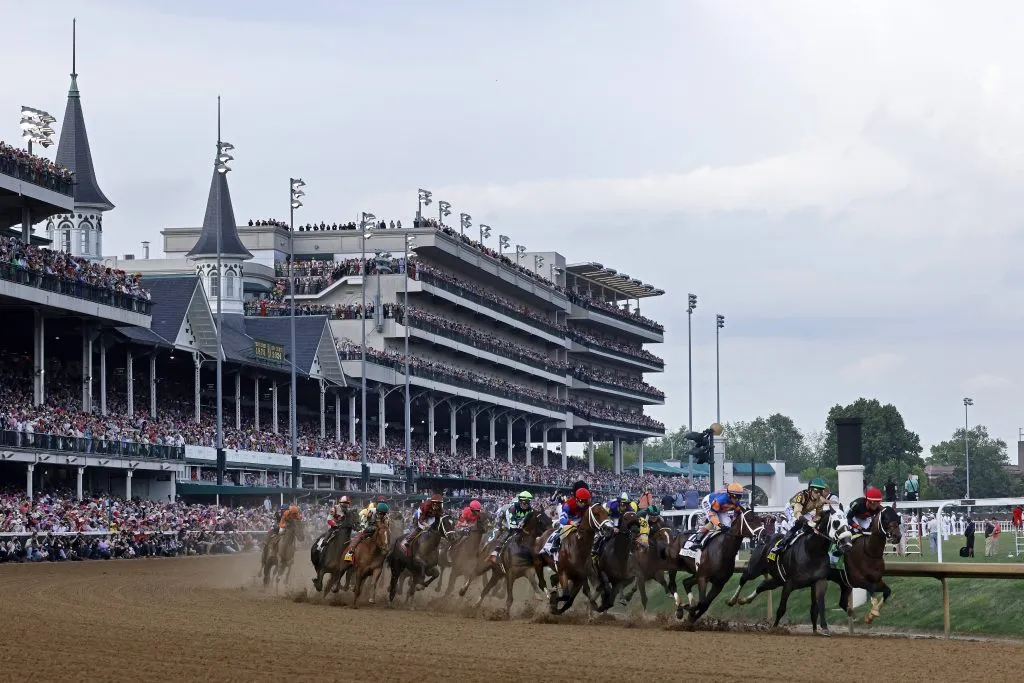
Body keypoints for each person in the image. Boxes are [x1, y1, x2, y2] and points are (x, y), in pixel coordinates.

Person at [774, 478, 830, 551]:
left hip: (804, 511)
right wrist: (807, 521)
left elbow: (818, 515)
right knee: (796, 523)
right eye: (817, 491)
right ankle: (781, 544)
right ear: (810, 489)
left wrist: (815, 523)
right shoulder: (802, 495)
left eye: (821, 491)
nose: (819, 494)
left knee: (811, 525)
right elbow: (797, 513)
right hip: (791, 508)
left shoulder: (820, 500)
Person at [688, 482, 745, 551]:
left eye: (740, 497)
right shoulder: (720, 500)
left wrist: (733, 520)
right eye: (736, 497)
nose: (737, 500)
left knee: (727, 526)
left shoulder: (737, 502)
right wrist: (719, 524)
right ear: (730, 495)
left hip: (721, 508)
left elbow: (738, 514)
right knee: (714, 523)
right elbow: (712, 515)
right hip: (709, 502)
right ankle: (697, 540)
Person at [541, 488, 591, 558]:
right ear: (576, 499)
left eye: (585, 501)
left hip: (577, 518)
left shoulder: (586, 505)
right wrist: (570, 522)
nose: (583, 504)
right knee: (563, 528)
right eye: (581, 501)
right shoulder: (567, 505)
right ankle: (551, 545)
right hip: (567, 518)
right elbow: (562, 520)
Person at [488, 491, 533, 564]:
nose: (527, 505)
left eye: (528, 503)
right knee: (509, 533)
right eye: (525, 503)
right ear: (520, 501)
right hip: (506, 521)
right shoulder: (512, 508)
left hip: (518, 522)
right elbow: (513, 525)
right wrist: (521, 526)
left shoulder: (530, 509)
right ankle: (495, 552)